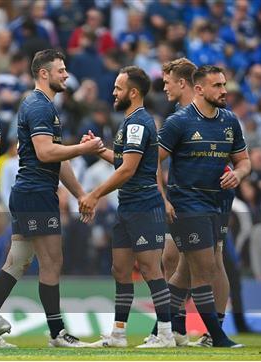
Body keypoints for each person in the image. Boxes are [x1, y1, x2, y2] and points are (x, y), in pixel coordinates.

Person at [0, 49, 103, 348]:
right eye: (61, 70)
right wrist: (82, 149)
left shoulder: (46, 106)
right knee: (52, 261)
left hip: (31, 193)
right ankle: (56, 333)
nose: (66, 75)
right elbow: (46, 153)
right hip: (36, 194)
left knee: (17, 262)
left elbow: (58, 157)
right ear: (44, 73)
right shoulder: (39, 106)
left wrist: (80, 194)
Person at [78, 66, 175, 348]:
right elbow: (125, 163)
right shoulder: (130, 121)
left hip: (145, 206)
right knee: (120, 269)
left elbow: (127, 171)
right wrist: (99, 150)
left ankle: (166, 335)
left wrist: (94, 195)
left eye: (118, 88)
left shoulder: (136, 123)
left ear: (133, 92)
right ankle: (119, 334)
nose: (113, 92)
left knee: (149, 269)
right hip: (128, 206)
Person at [157, 65, 250, 348]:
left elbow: (243, 161)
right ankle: (217, 336)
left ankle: (162, 328)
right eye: (217, 86)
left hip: (219, 203)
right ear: (199, 89)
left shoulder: (230, 121)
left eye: (224, 85)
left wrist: (239, 174)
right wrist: (164, 200)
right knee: (206, 266)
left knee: (187, 270)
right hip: (187, 202)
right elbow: (152, 164)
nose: (224, 91)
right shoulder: (179, 122)